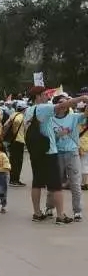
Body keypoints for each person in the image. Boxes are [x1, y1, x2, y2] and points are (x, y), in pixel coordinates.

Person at [24, 87, 86, 224]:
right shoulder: (42, 108)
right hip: (48, 152)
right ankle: (60, 216)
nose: (47, 97)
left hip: (36, 152)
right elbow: (62, 106)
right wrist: (82, 98)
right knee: (56, 185)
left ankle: (37, 213)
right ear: (38, 96)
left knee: (37, 183)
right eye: (44, 94)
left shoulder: (28, 110)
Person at [44, 93, 87, 222]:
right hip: (56, 154)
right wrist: (59, 135)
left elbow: (85, 115)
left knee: (75, 183)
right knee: (55, 183)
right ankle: (49, 207)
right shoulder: (50, 119)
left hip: (72, 153)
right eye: (61, 103)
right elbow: (48, 137)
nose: (64, 105)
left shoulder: (74, 117)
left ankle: (77, 211)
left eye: (66, 102)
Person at [4, 102, 27, 186]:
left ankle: (13, 179)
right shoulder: (21, 117)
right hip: (19, 140)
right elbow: (23, 127)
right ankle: (15, 180)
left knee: (13, 161)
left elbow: (5, 125)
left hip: (12, 140)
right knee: (18, 162)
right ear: (24, 109)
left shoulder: (13, 115)